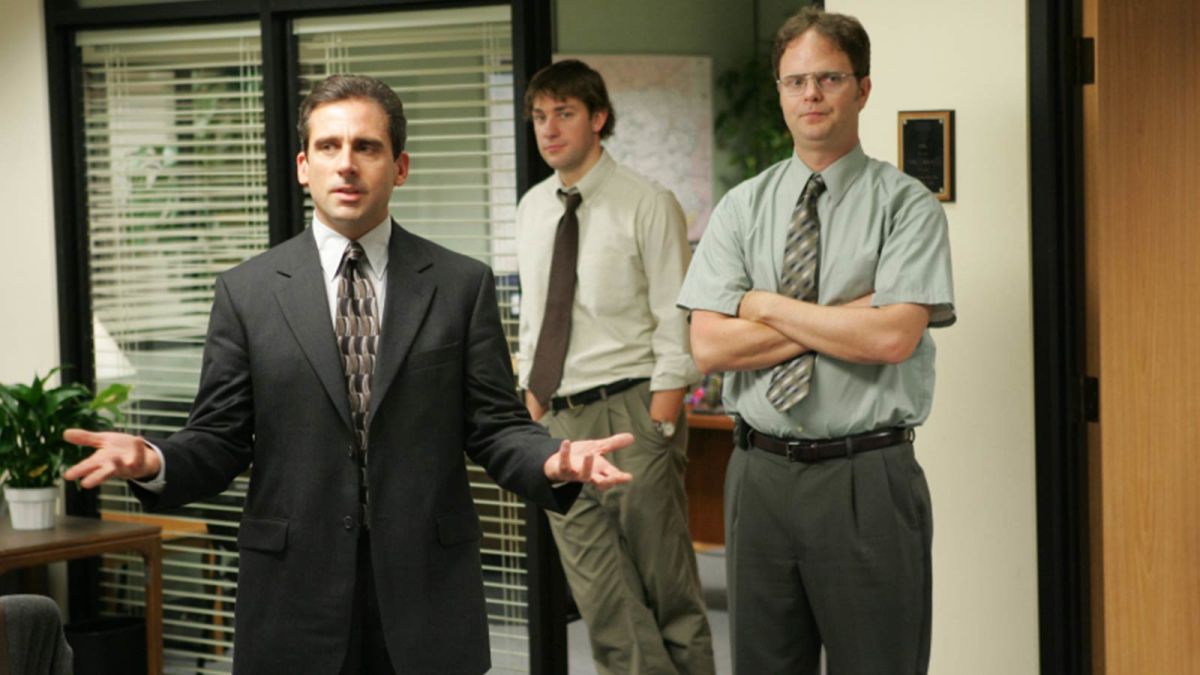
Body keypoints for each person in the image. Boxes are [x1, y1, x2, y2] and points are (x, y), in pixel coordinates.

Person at [63, 73, 633, 675]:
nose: (347, 164)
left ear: (400, 166)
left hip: (426, 590)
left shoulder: (460, 285)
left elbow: (495, 426)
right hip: (294, 592)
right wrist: (154, 459)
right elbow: (219, 438)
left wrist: (550, 460)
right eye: (329, 147)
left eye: (366, 147)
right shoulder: (247, 292)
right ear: (303, 167)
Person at [678, 8, 955, 675]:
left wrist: (764, 305)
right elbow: (709, 347)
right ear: (780, 91)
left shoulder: (907, 206)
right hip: (760, 474)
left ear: (862, 88)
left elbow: (891, 337)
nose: (811, 94)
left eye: (829, 78)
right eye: (795, 80)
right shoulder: (742, 207)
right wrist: (844, 319)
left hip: (866, 478)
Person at [516, 59, 715, 675]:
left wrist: (660, 422)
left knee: (668, 594)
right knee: (603, 603)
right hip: (559, 426)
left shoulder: (647, 203)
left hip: (633, 413)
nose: (549, 129)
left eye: (564, 114)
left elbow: (674, 317)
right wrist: (531, 411)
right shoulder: (532, 207)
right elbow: (535, 318)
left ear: (598, 118)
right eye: (539, 117)